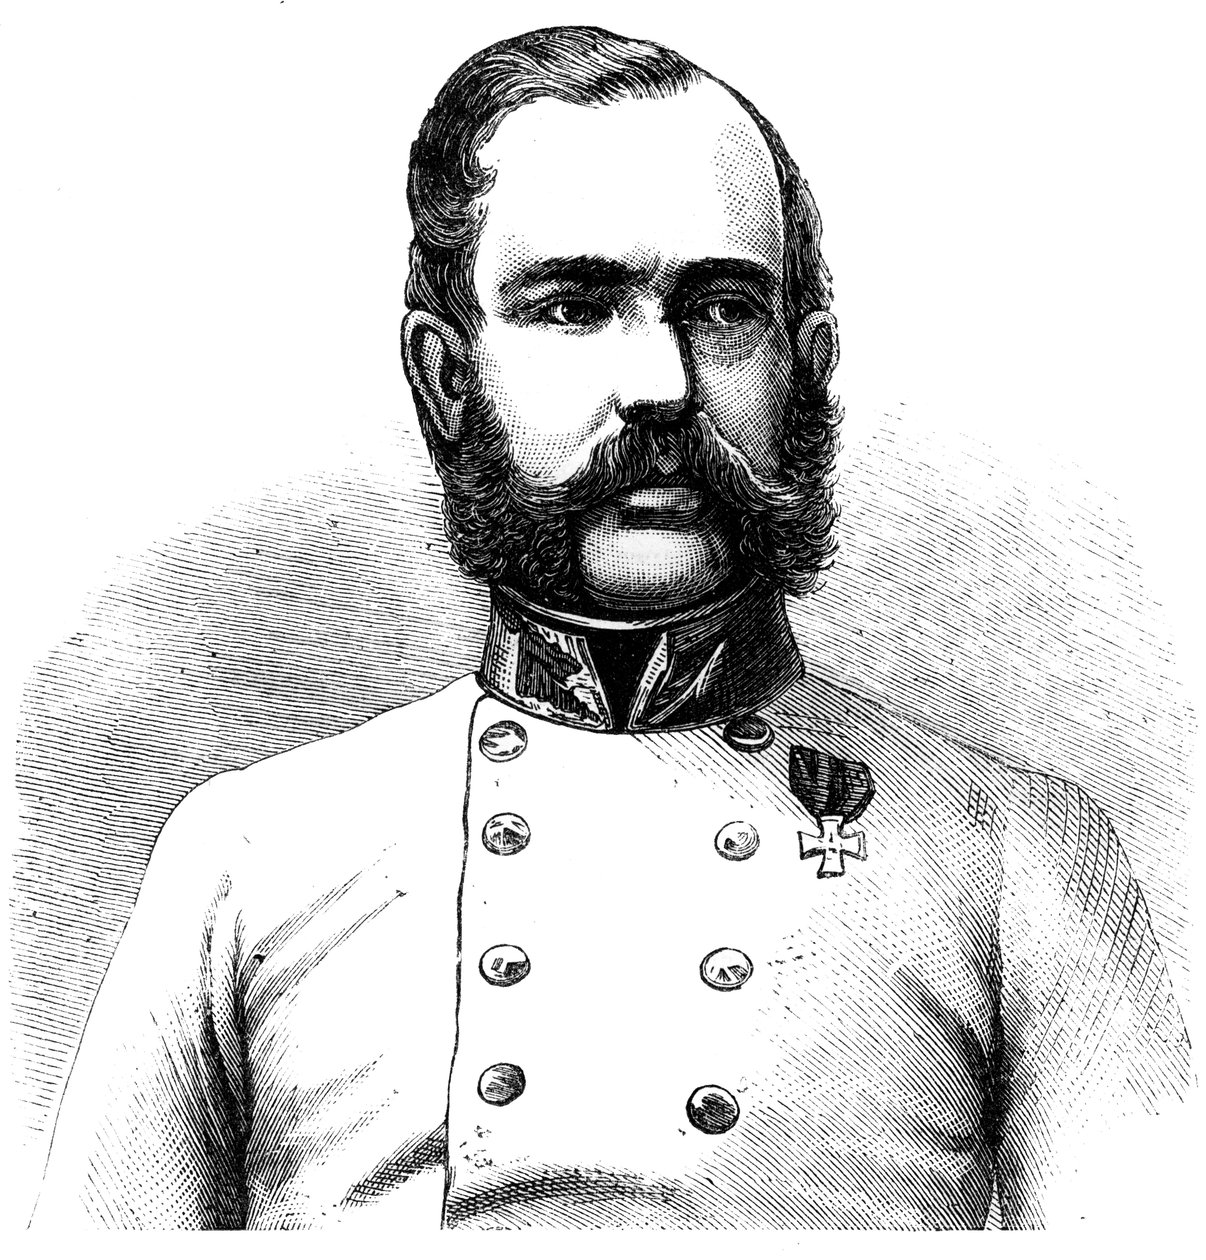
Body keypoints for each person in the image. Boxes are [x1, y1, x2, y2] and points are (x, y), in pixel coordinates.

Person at [33, 25, 1188, 1230]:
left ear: (807, 366)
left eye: (723, 310)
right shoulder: (248, 857)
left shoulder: (1016, 857)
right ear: (445, 377)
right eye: (574, 308)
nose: (661, 386)